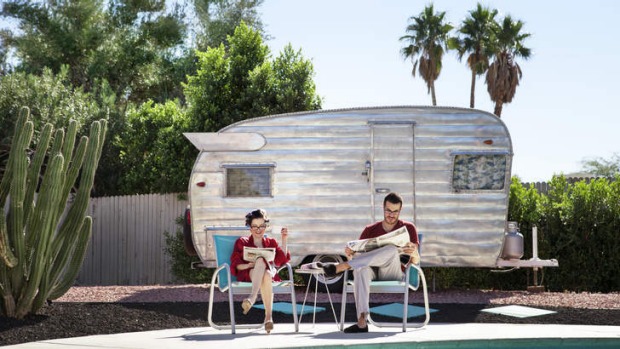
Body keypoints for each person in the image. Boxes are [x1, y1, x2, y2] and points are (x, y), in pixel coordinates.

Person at [322, 192, 419, 333]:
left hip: (393, 272)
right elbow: (357, 258)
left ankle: (341, 267)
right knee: (360, 268)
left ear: (400, 211)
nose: (391, 215)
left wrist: (414, 252)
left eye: (395, 212)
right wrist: (350, 255)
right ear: (383, 208)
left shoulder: (408, 228)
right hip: (371, 271)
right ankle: (362, 321)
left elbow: (416, 261)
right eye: (388, 210)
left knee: (391, 249)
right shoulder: (370, 230)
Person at [230, 209, 290, 334]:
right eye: (255, 226)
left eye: (262, 226)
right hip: (249, 273)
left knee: (267, 273)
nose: (258, 230)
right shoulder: (242, 242)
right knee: (261, 261)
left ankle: (254, 300)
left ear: (266, 226)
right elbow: (236, 266)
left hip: (268, 275)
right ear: (250, 228)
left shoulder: (271, 242)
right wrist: (250, 265)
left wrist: (284, 239)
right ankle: (268, 316)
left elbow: (281, 261)